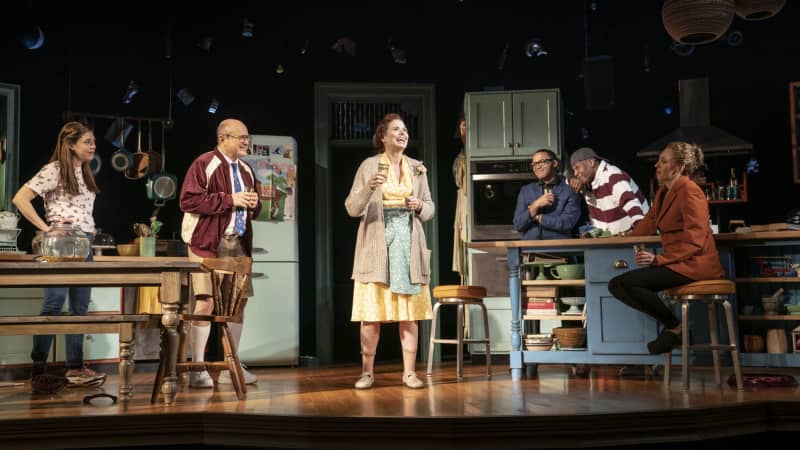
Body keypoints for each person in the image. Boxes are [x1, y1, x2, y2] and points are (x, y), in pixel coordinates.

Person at [12, 121, 106, 387]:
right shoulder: (54, 170)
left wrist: (89, 230)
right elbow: (20, 199)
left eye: (93, 142)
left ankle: (75, 367)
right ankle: (38, 366)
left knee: (79, 307)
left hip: (83, 242)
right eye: (87, 142)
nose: (93, 146)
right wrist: (47, 230)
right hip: (62, 243)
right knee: (54, 303)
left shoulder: (85, 172)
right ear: (70, 144)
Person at [608, 141, 725, 355]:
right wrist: (620, 237)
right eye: (659, 161)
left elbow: (695, 239)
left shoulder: (690, 191)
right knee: (617, 285)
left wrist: (658, 260)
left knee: (625, 283)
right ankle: (675, 327)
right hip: (678, 263)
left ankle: (674, 328)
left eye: (663, 161)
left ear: (678, 168)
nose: (657, 166)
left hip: (696, 265)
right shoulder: (663, 193)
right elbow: (649, 224)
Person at [345, 113, 434, 390]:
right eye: (396, 129)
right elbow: (351, 208)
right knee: (371, 314)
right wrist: (368, 189)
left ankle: (409, 372)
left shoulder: (417, 167)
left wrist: (419, 205)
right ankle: (367, 372)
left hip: (408, 244)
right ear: (382, 136)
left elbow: (430, 208)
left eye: (405, 129)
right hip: (376, 242)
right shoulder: (369, 166)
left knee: (409, 314)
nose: (402, 133)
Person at [180, 118, 262, 388]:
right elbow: (188, 200)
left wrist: (254, 204)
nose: (246, 142)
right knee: (206, 302)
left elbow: (252, 204)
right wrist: (231, 199)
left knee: (238, 304)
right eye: (241, 137)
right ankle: (197, 368)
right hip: (206, 244)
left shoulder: (247, 169)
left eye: (247, 138)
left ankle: (231, 364)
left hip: (237, 243)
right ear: (223, 138)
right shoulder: (205, 163)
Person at [568, 147, 649, 236]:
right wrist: (570, 179)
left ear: (591, 162)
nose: (575, 173)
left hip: (635, 234)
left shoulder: (611, 174)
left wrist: (640, 232)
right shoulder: (588, 182)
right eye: (573, 170)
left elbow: (629, 202)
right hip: (615, 238)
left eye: (577, 168)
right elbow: (565, 181)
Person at [513, 149, 582, 240]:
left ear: (554, 163)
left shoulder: (570, 190)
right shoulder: (526, 191)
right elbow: (518, 224)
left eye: (541, 162)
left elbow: (567, 223)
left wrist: (538, 218)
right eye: (534, 164)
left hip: (560, 249)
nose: (537, 167)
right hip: (530, 249)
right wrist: (535, 205)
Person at [452, 113, 468, 284]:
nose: (465, 130)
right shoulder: (460, 157)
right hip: (463, 204)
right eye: (462, 125)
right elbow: (458, 180)